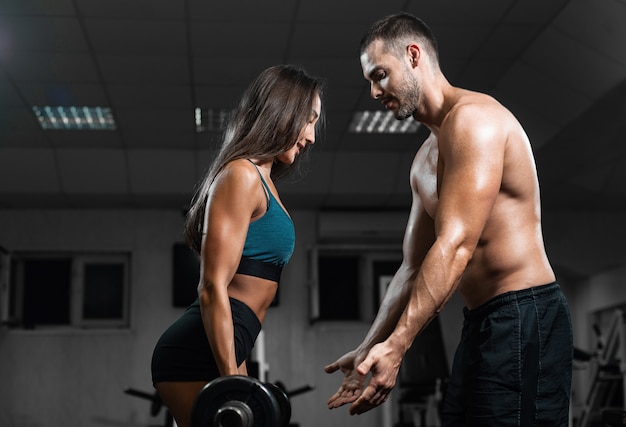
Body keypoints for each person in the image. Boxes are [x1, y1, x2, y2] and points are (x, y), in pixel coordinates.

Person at [324, 12, 573, 426]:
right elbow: (411, 266)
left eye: (380, 74)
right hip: (480, 321)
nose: (373, 91)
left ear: (414, 55)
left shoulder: (476, 121)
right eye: (369, 80)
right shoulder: (424, 159)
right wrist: (371, 346)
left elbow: (456, 243)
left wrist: (400, 344)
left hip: (525, 314)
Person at [151, 64, 324, 427]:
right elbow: (213, 287)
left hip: (229, 344)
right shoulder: (241, 175)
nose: (311, 135)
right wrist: (233, 384)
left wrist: (240, 373)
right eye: (309, 120)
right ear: (284, 112)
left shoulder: (263, 180)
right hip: (191, 354)